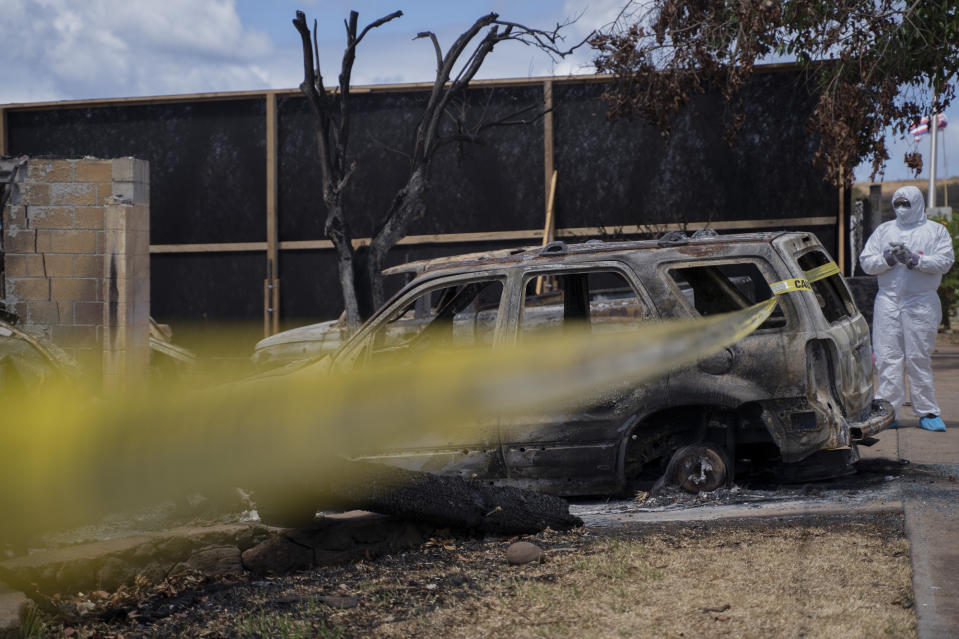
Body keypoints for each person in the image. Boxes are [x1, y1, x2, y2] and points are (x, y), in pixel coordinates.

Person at [860, 185, 954, 431]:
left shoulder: (935, 231)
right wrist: (888, 259)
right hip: (889, 300)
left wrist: (916, 260)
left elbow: (945, 261)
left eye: (906, 203)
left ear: (918, 204)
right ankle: (888, 410)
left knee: (918, 357)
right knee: (887, 356)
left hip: (921, 301)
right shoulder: (884, 231)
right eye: (897, 203)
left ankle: (927, 411)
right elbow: (866, 261)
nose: (901, 209)